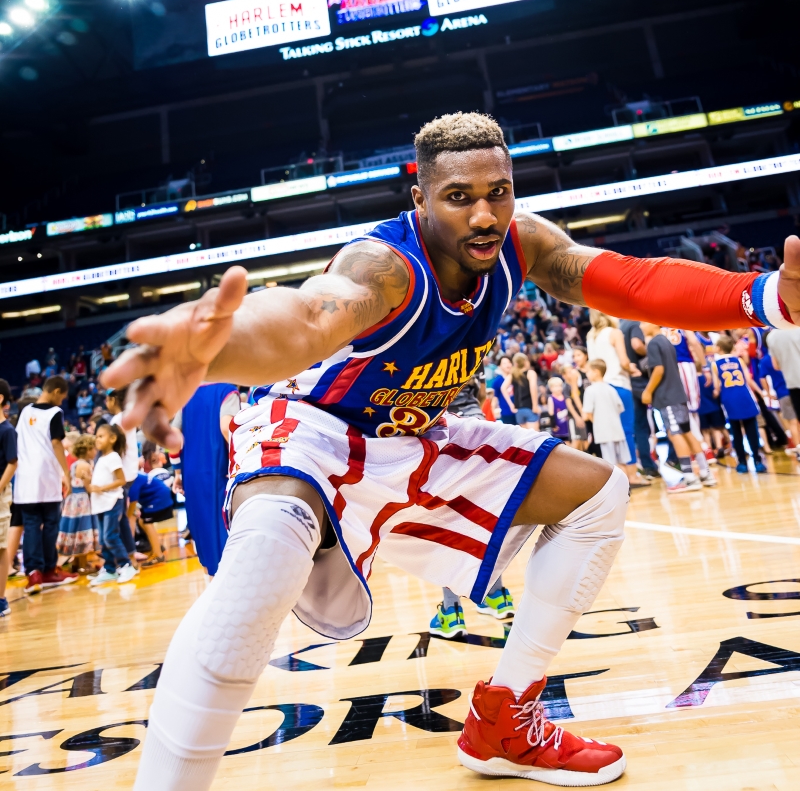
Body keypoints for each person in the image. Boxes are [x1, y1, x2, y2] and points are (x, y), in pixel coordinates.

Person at [102, 112, 800, 790]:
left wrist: (765, 295)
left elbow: (632, 281)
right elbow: (308, 316)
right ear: (421, 199)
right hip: (310, 433)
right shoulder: (384, 267)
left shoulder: (522, 244)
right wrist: (217, 344)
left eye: (498, 192)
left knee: (598, 494)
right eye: (458, 198)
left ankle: (506, 719)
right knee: (258, 578)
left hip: (409, 441)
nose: (484, 216)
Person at [430, 374, 516, 638]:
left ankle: (451, 611)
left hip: (445, 429)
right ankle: (497, 596)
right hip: (479, 427)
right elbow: (478, 391)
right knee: (484, 523)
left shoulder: (420, 342)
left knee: (443, 526)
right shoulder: (469, 338)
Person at [14, 375, 78, 594]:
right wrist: (67, 474)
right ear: (56, 391)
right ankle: (49, 570)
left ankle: (34, 572)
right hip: (46, 476)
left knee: (31, 525)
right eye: (62, 396)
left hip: (24, 478)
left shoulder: (24, 413)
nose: (62, 402)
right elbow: (57, 443)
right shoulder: (54, 413)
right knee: (51, 523)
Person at [640, 322, 717, 492]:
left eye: (642, 322)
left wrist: (648, 391)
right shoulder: (667, 341)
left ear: (653, 323)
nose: (640, 325)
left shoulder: (654, 343)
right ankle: (705, 473)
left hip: (668, 397)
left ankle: (690, 478)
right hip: (678, 394)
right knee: (688, 432)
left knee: (676, 435)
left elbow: (658, 370)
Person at [179, 382, 241, 576]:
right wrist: (239, 458)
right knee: (224, 532)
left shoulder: (187, 391)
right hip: (218, 470)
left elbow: (174, 435)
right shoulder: (226, 390)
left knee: (204, 534)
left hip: (191, 472)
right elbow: (226, 427)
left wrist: (177, 472)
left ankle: (216, 589)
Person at [581, 359, 649, 486]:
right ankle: (627, 484)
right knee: (622, 461)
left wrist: (597, 422)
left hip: (603, 433)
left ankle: (617, 488)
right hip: (617, 431)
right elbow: (620, 409)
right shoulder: (611, 389)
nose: (587, 374)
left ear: (596, 372)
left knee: (609, 464)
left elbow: (586, 414)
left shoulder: (590, 390)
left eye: (589, 371)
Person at [87, 423, 139, 586]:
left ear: (112, 438)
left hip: (112, 502)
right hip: (100, 504)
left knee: (110, 536)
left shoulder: (113, 457)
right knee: (103, 539)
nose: (97, 439)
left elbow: (121, 480)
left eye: (101, 436)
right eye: (96, 436)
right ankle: (109, 569)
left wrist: (101, 488)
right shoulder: (101, 458)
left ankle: (126, 565)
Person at [587, 311, 637, 475]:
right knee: (626, 430)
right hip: (618, 384)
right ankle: (632, 473)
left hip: (601, 386)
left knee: (610, 432)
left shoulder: (591, 335)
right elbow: (623, 362)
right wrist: (633, 368)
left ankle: (617, 473)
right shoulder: (614, 332)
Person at [711, 335, 766, 473]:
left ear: (719, 348)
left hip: (729, 399)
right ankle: (757, 460)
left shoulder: (715, 364)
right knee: (752, 430)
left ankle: (741, 462)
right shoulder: (739, 360)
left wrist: (715, 392)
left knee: (736, 432)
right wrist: (761, 392)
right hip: (744, 396)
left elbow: (717, 387)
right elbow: (748, 380)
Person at [106, 387, 143, 566]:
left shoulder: (118, 419)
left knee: (118, 518)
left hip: (122, 474)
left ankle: (124, 558)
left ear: (113, 400)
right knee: (121, 517)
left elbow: (115, 448)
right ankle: (129, 554)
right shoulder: (125, 417)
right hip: (129, 472)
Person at [619, 319, 659, 476]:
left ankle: (644, 463)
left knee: (636, 426)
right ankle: (650, 464)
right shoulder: (634, 323)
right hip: (640, 380)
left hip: (627, 381)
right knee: (645, 425)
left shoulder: (620, 325)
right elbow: (636, 344)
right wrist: (652, 353)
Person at [56, 434, 99, 573]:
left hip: (72, 500)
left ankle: (75, 563)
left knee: (74, 530)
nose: (96, 451)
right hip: (83, 501)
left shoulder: (74, 464)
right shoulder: (85, 465)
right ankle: (83, 564)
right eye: (94, 449)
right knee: (83, 530)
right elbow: (88, 486)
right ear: (88, 449)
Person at [128, 467, 175, 563]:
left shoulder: (133, 480)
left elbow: (132, 505)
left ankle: (158, 555)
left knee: (146, 522)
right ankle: (157, 546)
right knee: (142, 521)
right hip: (159, 496)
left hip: (159, 498)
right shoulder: (134, 475)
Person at [760, 345, 800, 453]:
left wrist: (768, 393)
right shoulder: (787, 354)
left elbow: (762, 378)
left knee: (791, 422)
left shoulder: (765, 360)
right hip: (795, 388)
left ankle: (796, 447)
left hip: (782, 393)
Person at [0, 381, 18, 617]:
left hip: (1, 495)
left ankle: (2, 599)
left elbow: (13, 462)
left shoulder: (6, 431)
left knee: (0, 546)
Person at [508, 352, 539, 429]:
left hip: (519, 410)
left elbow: (503, 388)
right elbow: (533, 389)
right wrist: (535, 406)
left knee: (525, 438)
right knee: (534, 437)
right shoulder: (530, 373)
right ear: (525, 362)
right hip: (529, 407)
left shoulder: (513, 374)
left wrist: (511, 405)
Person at [491, 353, 516, 424]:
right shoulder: (497, 381)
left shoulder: (516, 377)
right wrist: (493, 416)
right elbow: (494, 399)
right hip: (506, 413)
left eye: (509, 362)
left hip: (519, 411)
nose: (508, 365)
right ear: (499, 366)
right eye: (504, 363)